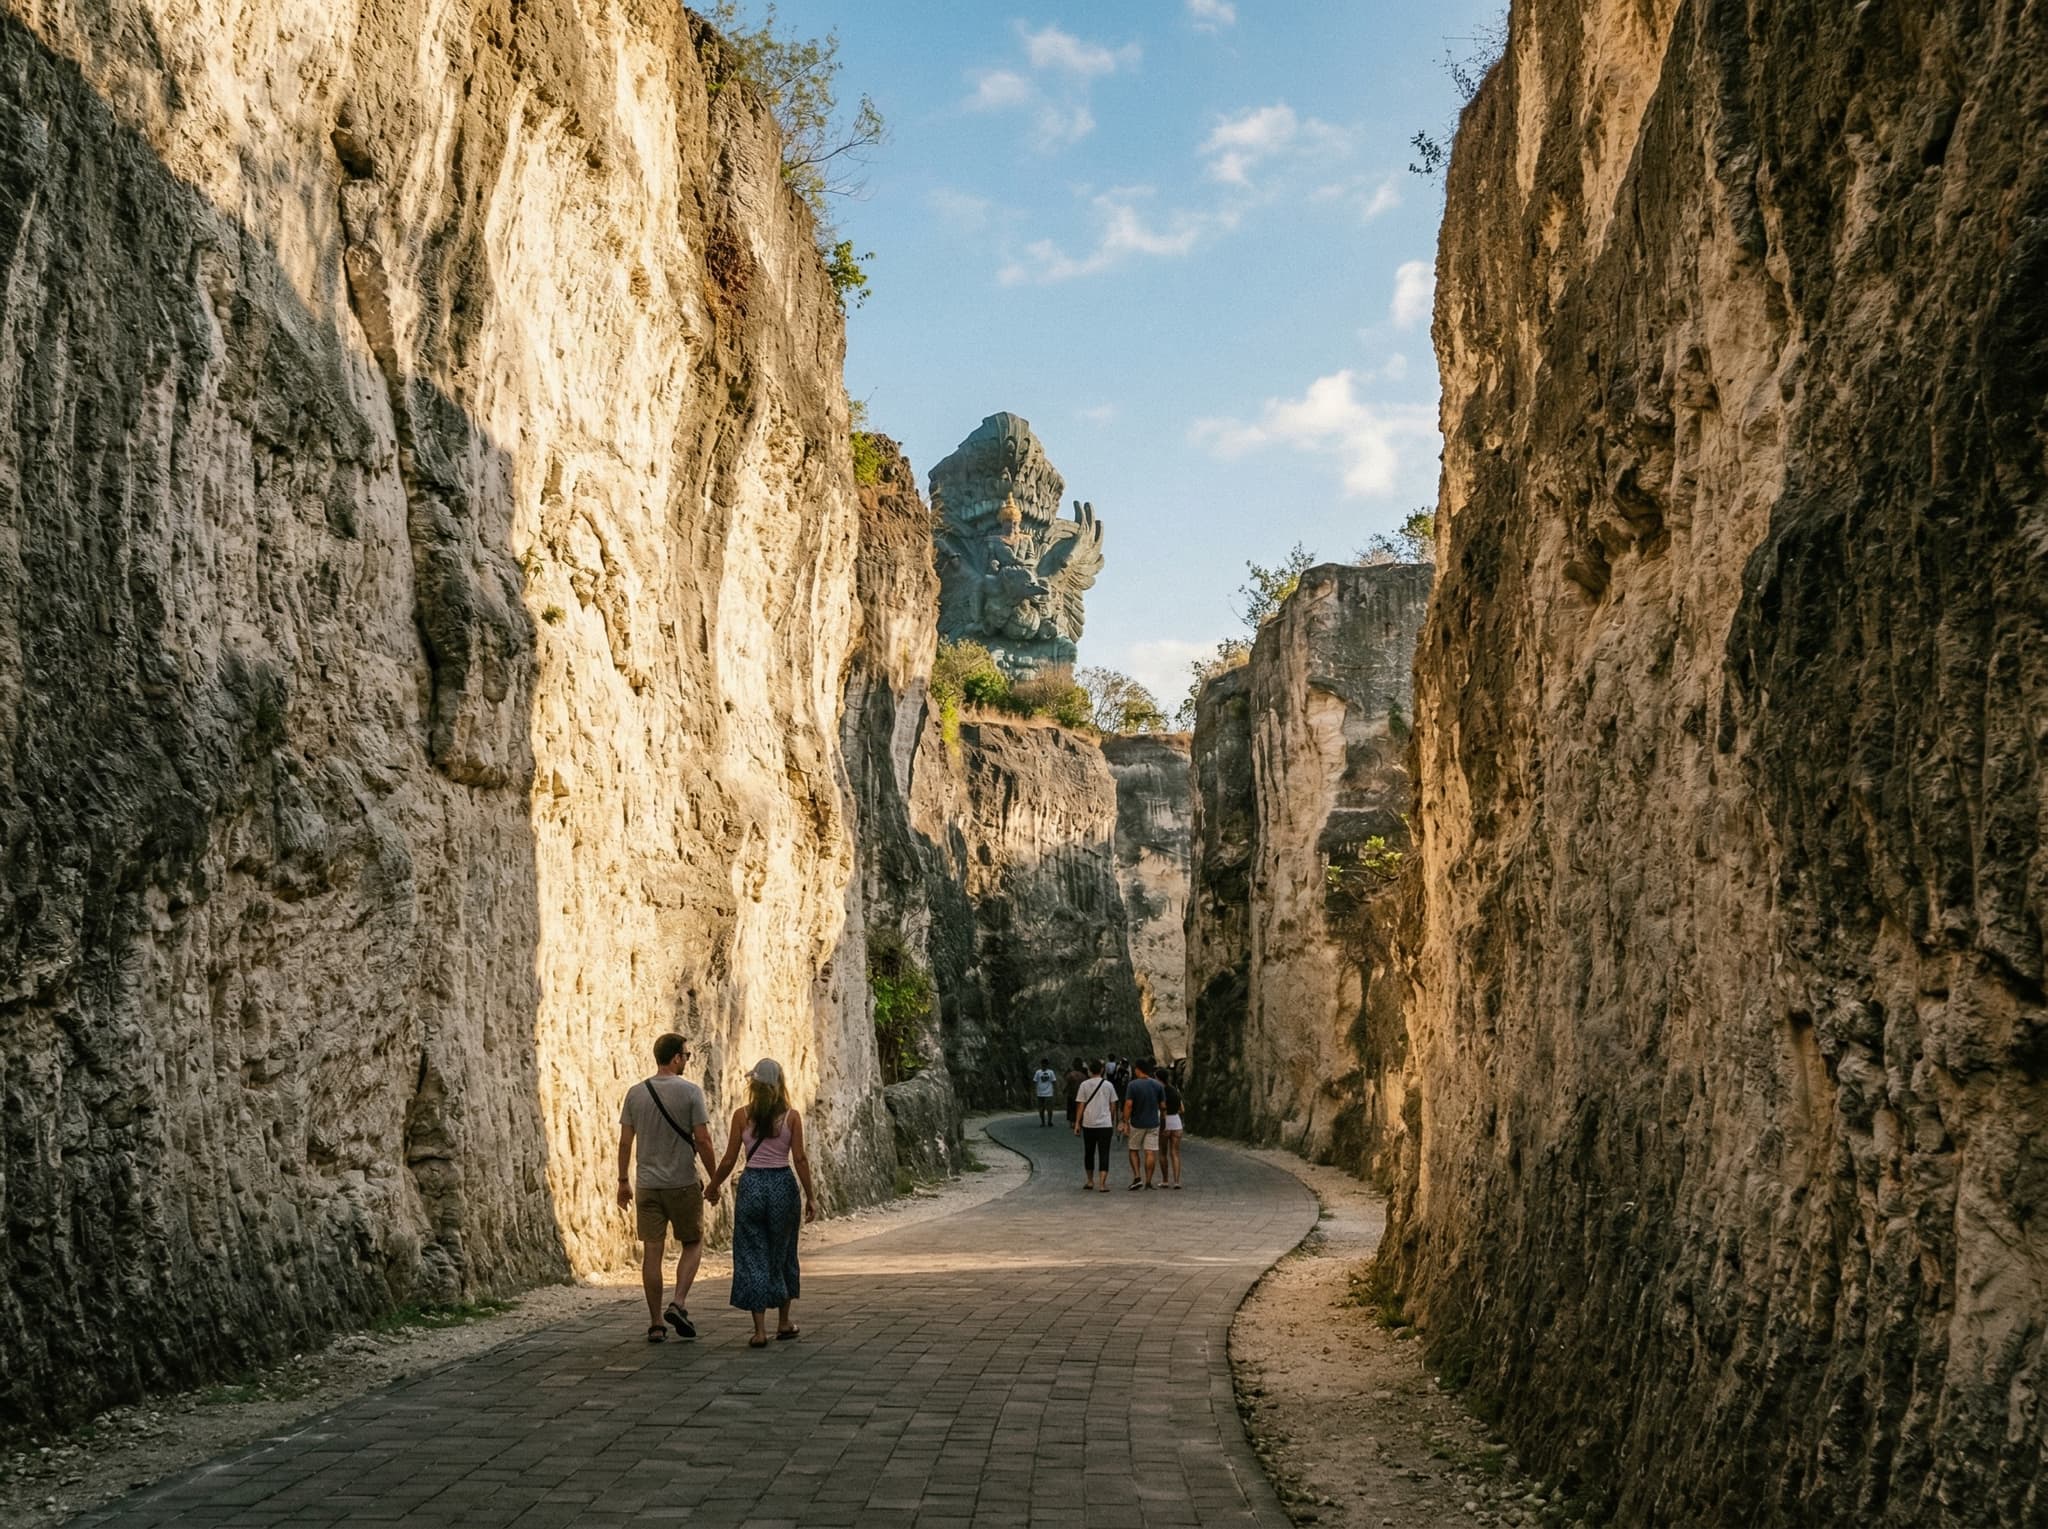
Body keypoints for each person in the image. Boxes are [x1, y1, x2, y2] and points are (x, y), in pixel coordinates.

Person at [616, 1032, 719, 1343]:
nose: (687, 1060)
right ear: (675, 1058)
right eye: (686, 1056)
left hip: (647, 1185)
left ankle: (656, 1323)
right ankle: (679, 1302)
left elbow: (625, 1142)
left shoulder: (635, 1093)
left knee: (652, 1252)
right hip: (682, 1183)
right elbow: (702, 1140)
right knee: (693, 1242)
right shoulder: (690, 1092)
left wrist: (623, 1181)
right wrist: (714, 1180)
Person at [708, 1058, 816, 1348]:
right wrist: (811, 1196)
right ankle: (783, 1322)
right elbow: (800, 1159)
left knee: (752, 1253)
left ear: (753, 1084)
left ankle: (759, 1330)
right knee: (782, 1252)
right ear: (781, 1084)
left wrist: (713, 1185)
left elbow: (730, 1158)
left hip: (752, 1184)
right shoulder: (791, 1117)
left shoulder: (741, 1116)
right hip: (782, 1184)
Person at [1071, 1059, 1119, 1192]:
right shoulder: (1109, 1085)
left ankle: (1090, 1181)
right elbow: (1113, 1105)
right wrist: (1111, 1119)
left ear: (1089, 1071)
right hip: (1105, 1124)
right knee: (1104, 1153)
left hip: (1089, 1123)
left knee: (1089, 1152)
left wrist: (1077, 1123)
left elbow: (1080, 1104)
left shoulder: (1084, 1085)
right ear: (1102, 1070)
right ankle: (1102, 1184)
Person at [1121, 1058, 1167, 1190]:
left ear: (1138, 1070)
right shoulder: (1158, 1085)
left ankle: (1137, 1177)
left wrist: (1125, 1121)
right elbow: (1163, 1106)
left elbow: (1129, 1105)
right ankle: (1148, 1181)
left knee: (1133, 1149)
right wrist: (1162, 1120)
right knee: (1150, 1152)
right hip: (1153, 1123)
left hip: (1137, 1123)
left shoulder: (1133, 1085)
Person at [1159, 1070, 1187, 1189]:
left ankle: (1165, 1180)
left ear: (1159, 1079)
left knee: (1163, 1153)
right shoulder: (1176, 1090)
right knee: (1175, 1153)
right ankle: (1176, 1181)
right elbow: (1182, 1110)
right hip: (1176, 1122)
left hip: (1165, 1121)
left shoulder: (1160, 1092)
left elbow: (1161, 1107)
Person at [1032, 1058, 1060, 1126]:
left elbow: (1054, 1082)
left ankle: (1049, 1121)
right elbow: (1034, 1081)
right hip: (1040, 1093)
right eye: (1042, 1064)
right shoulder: (1038, 1072)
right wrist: (1033, 1091)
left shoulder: (1051, 1072)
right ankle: (1042, 1122)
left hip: (1049, 1093)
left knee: (1049, 1109)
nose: (1043, 1065)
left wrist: (1057, 1091)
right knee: (1041, 1109)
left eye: (1045, 1064)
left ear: (1047, 1065)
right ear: (1041, 1064)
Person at [1063, 1057, 1086, 1126]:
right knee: (1079, 1107)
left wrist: (1064, 1090)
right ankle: (1080, 1121)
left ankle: (1072, 1122)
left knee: (1071, 1108)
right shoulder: (1083, 1076)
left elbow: (1067, 1084)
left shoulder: (1070, 1074)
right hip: (1080, 1094)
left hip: (1071, 1094)